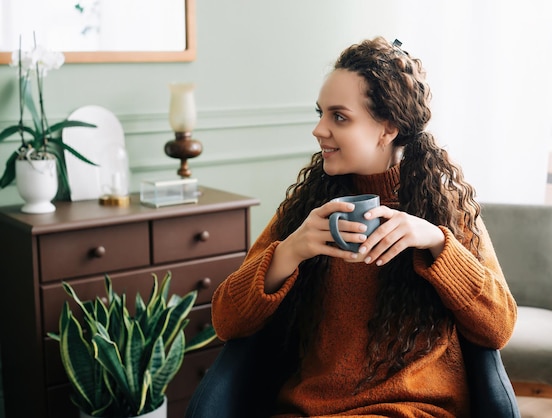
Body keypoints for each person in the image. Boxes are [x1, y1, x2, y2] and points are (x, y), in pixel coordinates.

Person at [204, 37, 516, 417]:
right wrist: (290, 251)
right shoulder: (307, 208)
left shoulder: (445, 208)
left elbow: (499, 326)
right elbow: (225, 321)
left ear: (387, 127)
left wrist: (437, 244)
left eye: (339, 116)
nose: (319, 130)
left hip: (412, 410)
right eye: (320, 113)